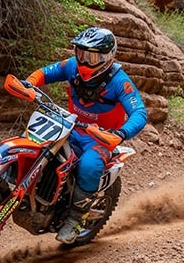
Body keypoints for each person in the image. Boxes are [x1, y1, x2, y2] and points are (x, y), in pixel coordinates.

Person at [24, 27, 147, 243]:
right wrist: (29, 83)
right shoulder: (72, 66)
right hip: (69, 127)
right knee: (35, 142)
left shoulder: (120, 82)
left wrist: (120, 133)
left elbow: (139, 112)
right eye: (81, 54)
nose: (84, 62)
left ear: (107, 57)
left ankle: (76, 218)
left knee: (89, 166)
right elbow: (47, 72)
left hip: (100, 138)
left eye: (92, 57)